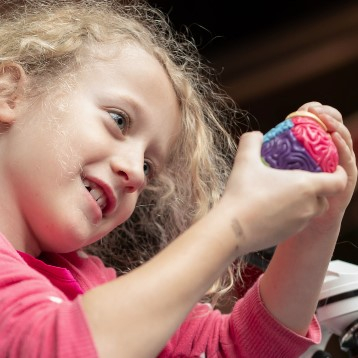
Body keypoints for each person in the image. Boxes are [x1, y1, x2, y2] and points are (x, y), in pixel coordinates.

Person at [0, 0, 356, 357]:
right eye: (119, 120)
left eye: (149, 166)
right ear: (9, 91)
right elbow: (52, 347)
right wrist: (232, 225)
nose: (136, 174)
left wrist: (316, 227)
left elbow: (233, 348)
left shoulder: (91, 283)